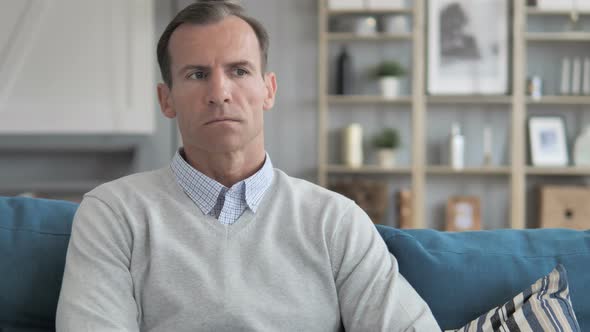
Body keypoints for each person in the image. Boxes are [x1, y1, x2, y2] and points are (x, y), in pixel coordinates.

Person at [56, 1, 441, 331]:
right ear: (166, 99)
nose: (220, 93)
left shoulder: (334, 220)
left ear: (268, 89)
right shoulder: (112, 214)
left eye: (239, 71)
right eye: (197, 74)